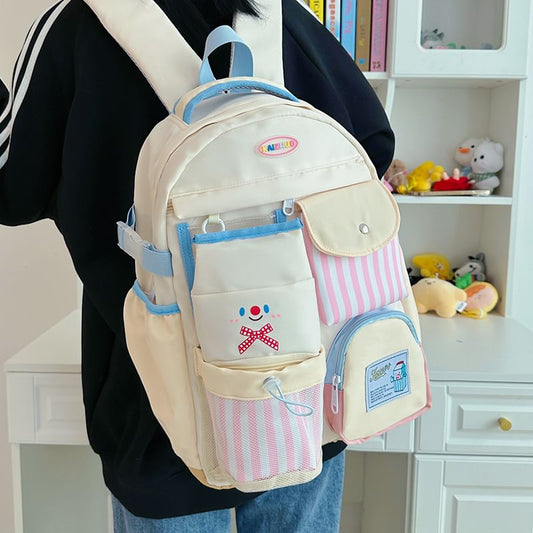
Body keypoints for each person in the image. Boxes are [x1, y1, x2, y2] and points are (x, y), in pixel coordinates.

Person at [0, 0, 394, 530]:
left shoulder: (77, 26)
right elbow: (371, 144)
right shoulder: (278, 15)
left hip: (155, 405)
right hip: (302, 386)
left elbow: (12, 187)